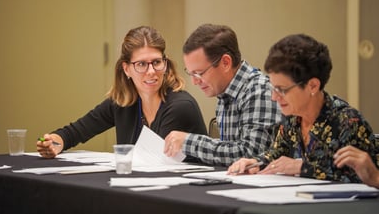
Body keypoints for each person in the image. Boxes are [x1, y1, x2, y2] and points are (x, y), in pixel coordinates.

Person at [37, 26, 207, 159]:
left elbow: (152, 163)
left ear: (166, 64)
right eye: (141, 64)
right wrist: (55, 142)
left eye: (156, 62)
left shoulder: (180, 106)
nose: (151, 71)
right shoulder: (123, 102)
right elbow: (76, 131)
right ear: (126, 69)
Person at [227, 34, 377, 183]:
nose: (274, 97)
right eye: (273, 88)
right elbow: (276, 154)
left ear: (313, 85)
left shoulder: (348, 122)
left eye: (282, 90)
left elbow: (363, 177)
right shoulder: (292, 118)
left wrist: (302, 167)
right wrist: (254, 162)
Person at [164, 23, 282, 166]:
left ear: (226, 62)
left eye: (199, 73)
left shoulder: (259, 90)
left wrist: (189, 142)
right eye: (191, 73)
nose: (194, 81)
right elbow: (230, 149)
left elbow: (251, 154)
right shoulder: (224, 92)